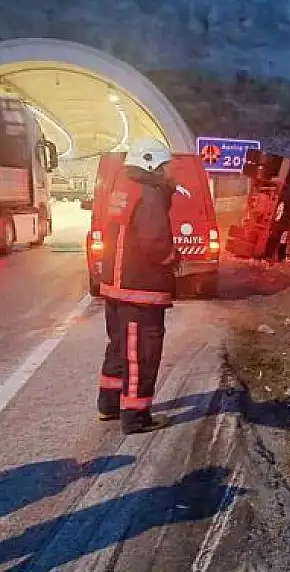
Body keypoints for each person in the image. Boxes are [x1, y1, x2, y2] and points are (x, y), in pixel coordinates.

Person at [96, 137, 177, 434]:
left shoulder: (123, 190)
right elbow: (155, 240)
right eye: (165, 166)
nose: (169, 173)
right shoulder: (150, 194)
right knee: (141, 354)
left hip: (116, 286)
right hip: (140, 289)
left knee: (119, 347)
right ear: (150, 164)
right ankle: (136, 417)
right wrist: (172, 257)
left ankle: (109, 405)